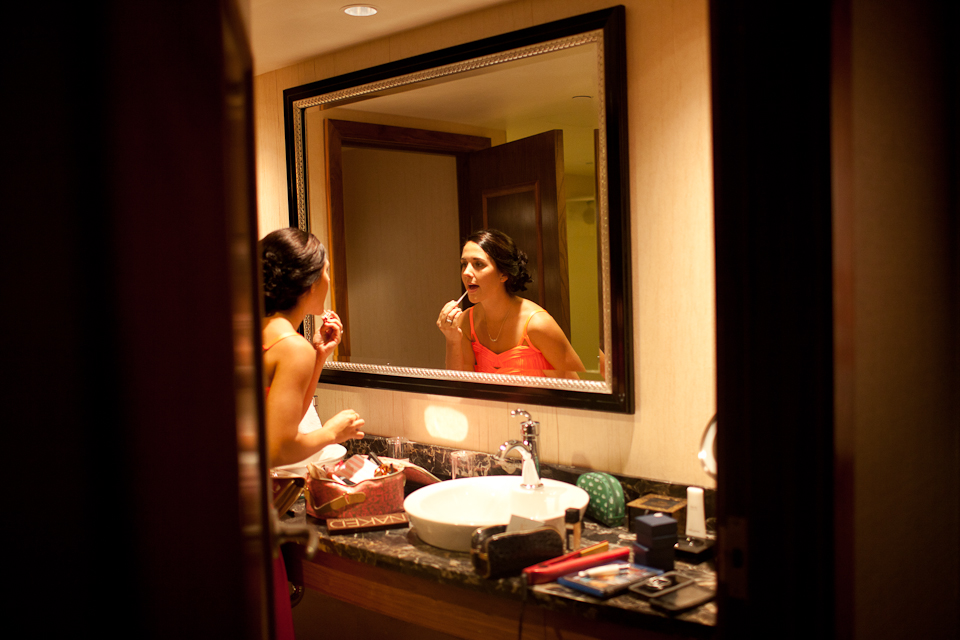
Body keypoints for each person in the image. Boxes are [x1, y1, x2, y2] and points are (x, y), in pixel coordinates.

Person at [261, 227, 365, 468]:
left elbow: (286, 421)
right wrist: (331, 433)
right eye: (325, 270)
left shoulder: (261, 329)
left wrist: (318, 356)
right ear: (310, 282)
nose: (328, 278)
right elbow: (279, 449)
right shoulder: (292, 347)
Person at [437, 229, 585, 378]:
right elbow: (460, 386)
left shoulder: (538, 325)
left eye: (478, 264)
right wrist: (452, 340)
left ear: (504, 274)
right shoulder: (466, 322)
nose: (466, 272)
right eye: (464, 264)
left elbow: (581, 386)